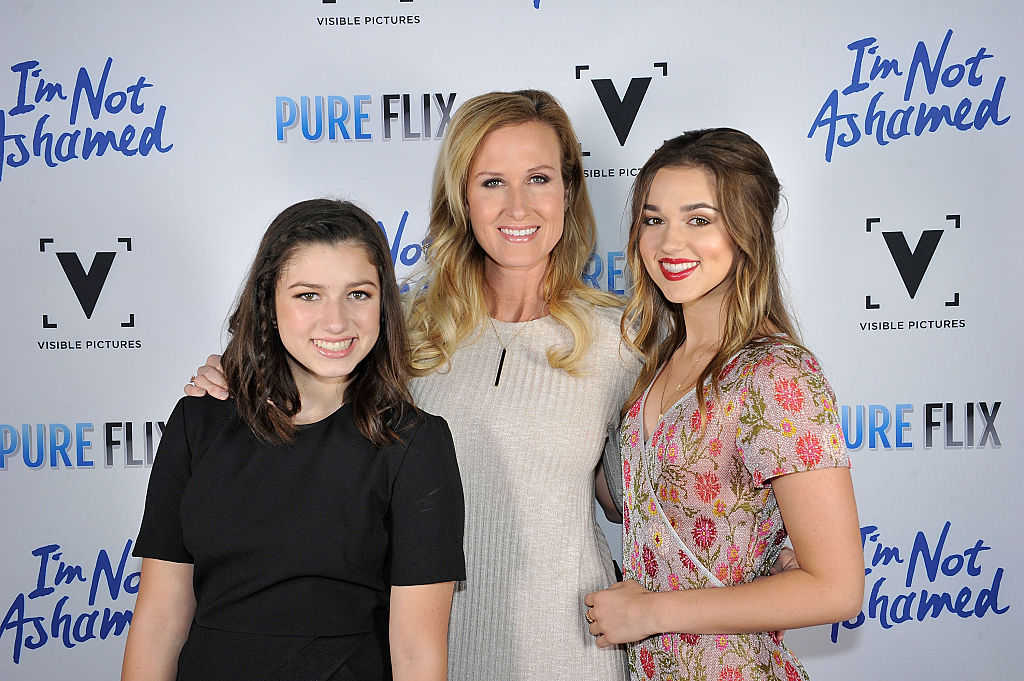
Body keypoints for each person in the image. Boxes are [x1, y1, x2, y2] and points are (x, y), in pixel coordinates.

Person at [186, 90, 642, 680]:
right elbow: (302, 423)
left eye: (538, 178)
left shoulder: (622, 342)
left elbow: (642, 502)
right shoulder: (398, 331)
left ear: (569, 191)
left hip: (569, 654)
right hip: (416, 655)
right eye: (491, 182)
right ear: (461, 197)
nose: (518, 206)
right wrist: (239, 376)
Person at [122, 199, 466, 681]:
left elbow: (417, 653)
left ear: (384, 304)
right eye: (308, 295)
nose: (336, 322)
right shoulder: (197, 423)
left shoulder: (414, 443)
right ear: (269, 303)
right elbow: (159, 622)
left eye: (359, 294)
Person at [583, 129, 864, 681]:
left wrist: (651, 611)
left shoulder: (777, 374)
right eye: (652, 219)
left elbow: (837, 589)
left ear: (747, 231)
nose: (669, 242)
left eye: (699, 219)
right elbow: (631, 505)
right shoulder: (656, 364)